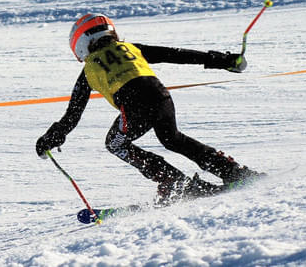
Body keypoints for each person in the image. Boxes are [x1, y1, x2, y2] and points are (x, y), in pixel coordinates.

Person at [36, 13, 261, 205]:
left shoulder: (88, 71)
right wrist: (224, 61)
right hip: (161, 96)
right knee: (172, 138)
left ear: (81, 44)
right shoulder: (132, 48)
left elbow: (72, 115)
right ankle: (233, 172)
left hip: (135, 107)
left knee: (115, 143)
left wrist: (51, 137)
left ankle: (174, 182)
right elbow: (177, 54)